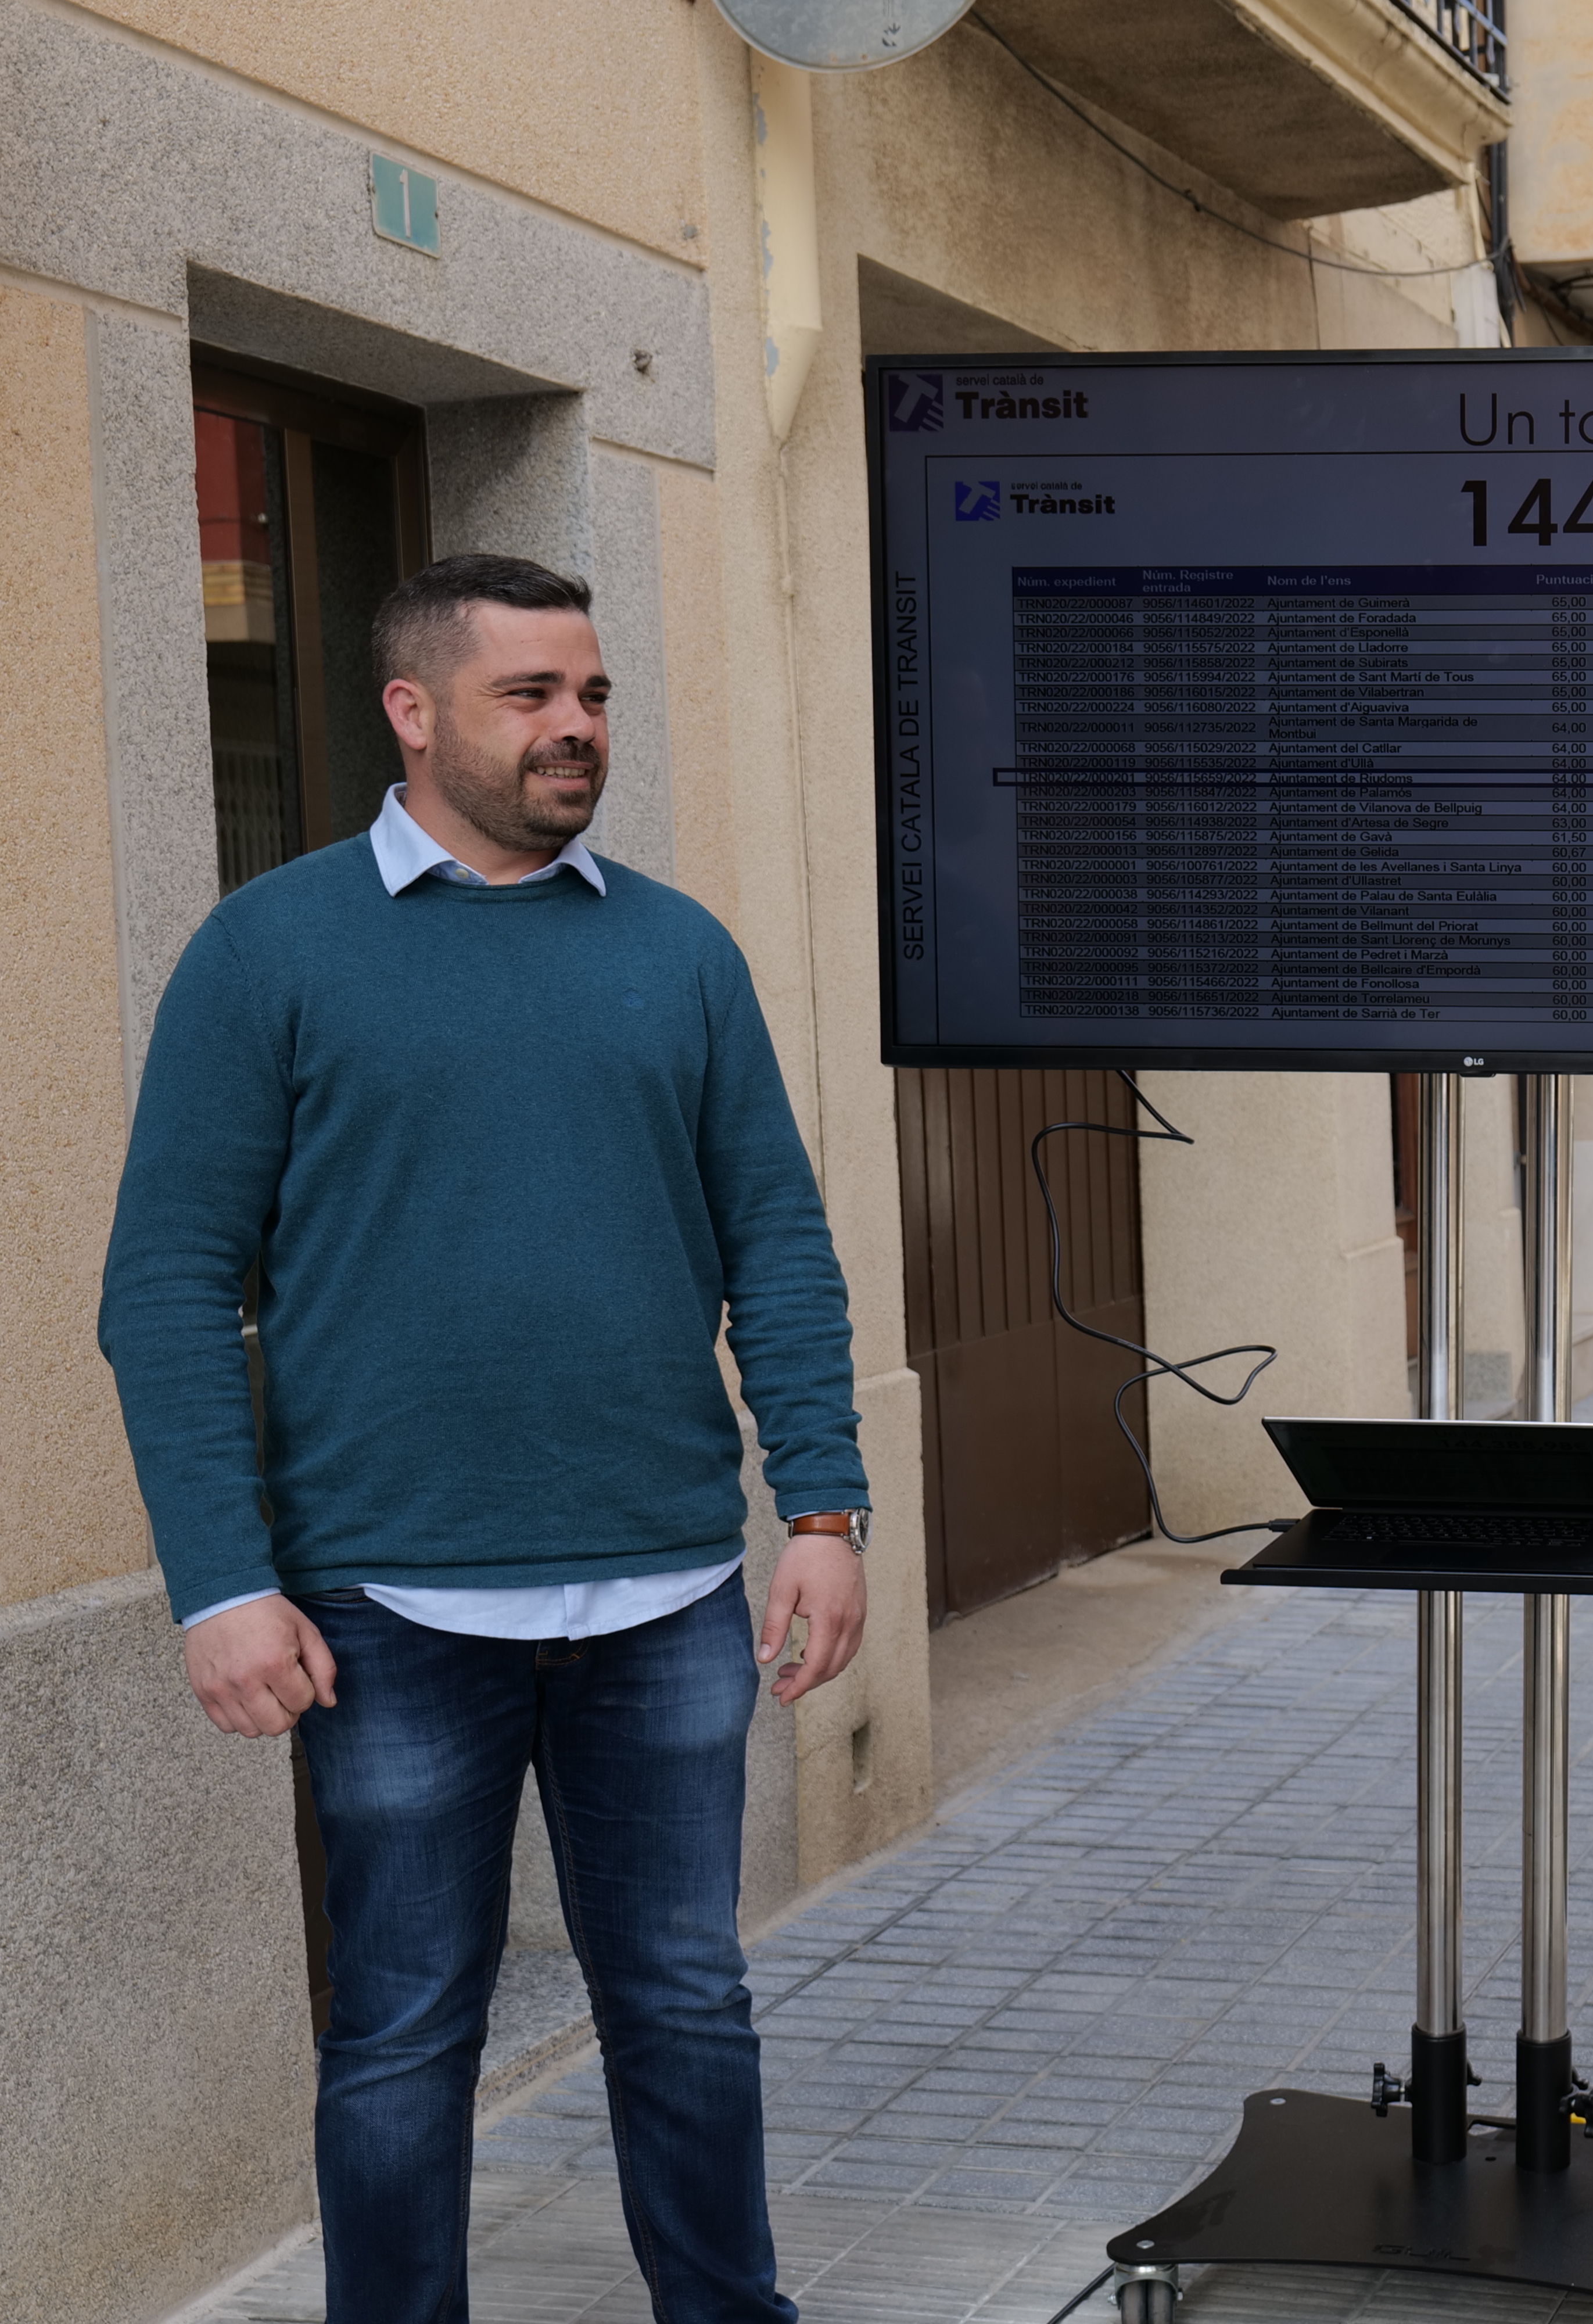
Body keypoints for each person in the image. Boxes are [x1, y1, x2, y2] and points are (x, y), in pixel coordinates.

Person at [99, 553, 870, 2324]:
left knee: (687, 2003)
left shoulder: (680, 952)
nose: (575, 726)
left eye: (591, 694)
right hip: (386, 1602)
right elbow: (167, 1286)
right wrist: (222, 1581)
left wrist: (824, 1508)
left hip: (667, 1590)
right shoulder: (269, 951)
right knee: (399, 2033)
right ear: (413, 710)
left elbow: (777, 1244)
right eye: (530, 696)